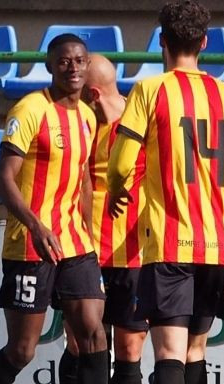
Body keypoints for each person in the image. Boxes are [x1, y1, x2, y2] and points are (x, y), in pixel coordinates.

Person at [106, 2, 224, 384]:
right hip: (218, 247)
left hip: (170, 244)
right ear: (204, 42)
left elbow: (122, 164)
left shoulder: (149, 90)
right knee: (195, 352)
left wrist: (116, 190)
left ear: (162, 41)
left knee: (169, 354)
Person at [0, 34, 108, 384]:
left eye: (80, 61)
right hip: (31, 244)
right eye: (64, 61)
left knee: (93, 338)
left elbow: (83, 180)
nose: (73, 68)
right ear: (50, 65)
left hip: (76, 244)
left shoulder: (88, 117)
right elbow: (4, 179)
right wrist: (36, 226)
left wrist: (90, 234)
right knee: (22, 350)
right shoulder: (30, 109)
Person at [80, 53, 148, 384]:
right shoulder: (83, 127)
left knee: (129, 349)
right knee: (83, 346)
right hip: (86, 254)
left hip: (134, 252)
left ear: (92, 93)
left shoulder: (144, 126)